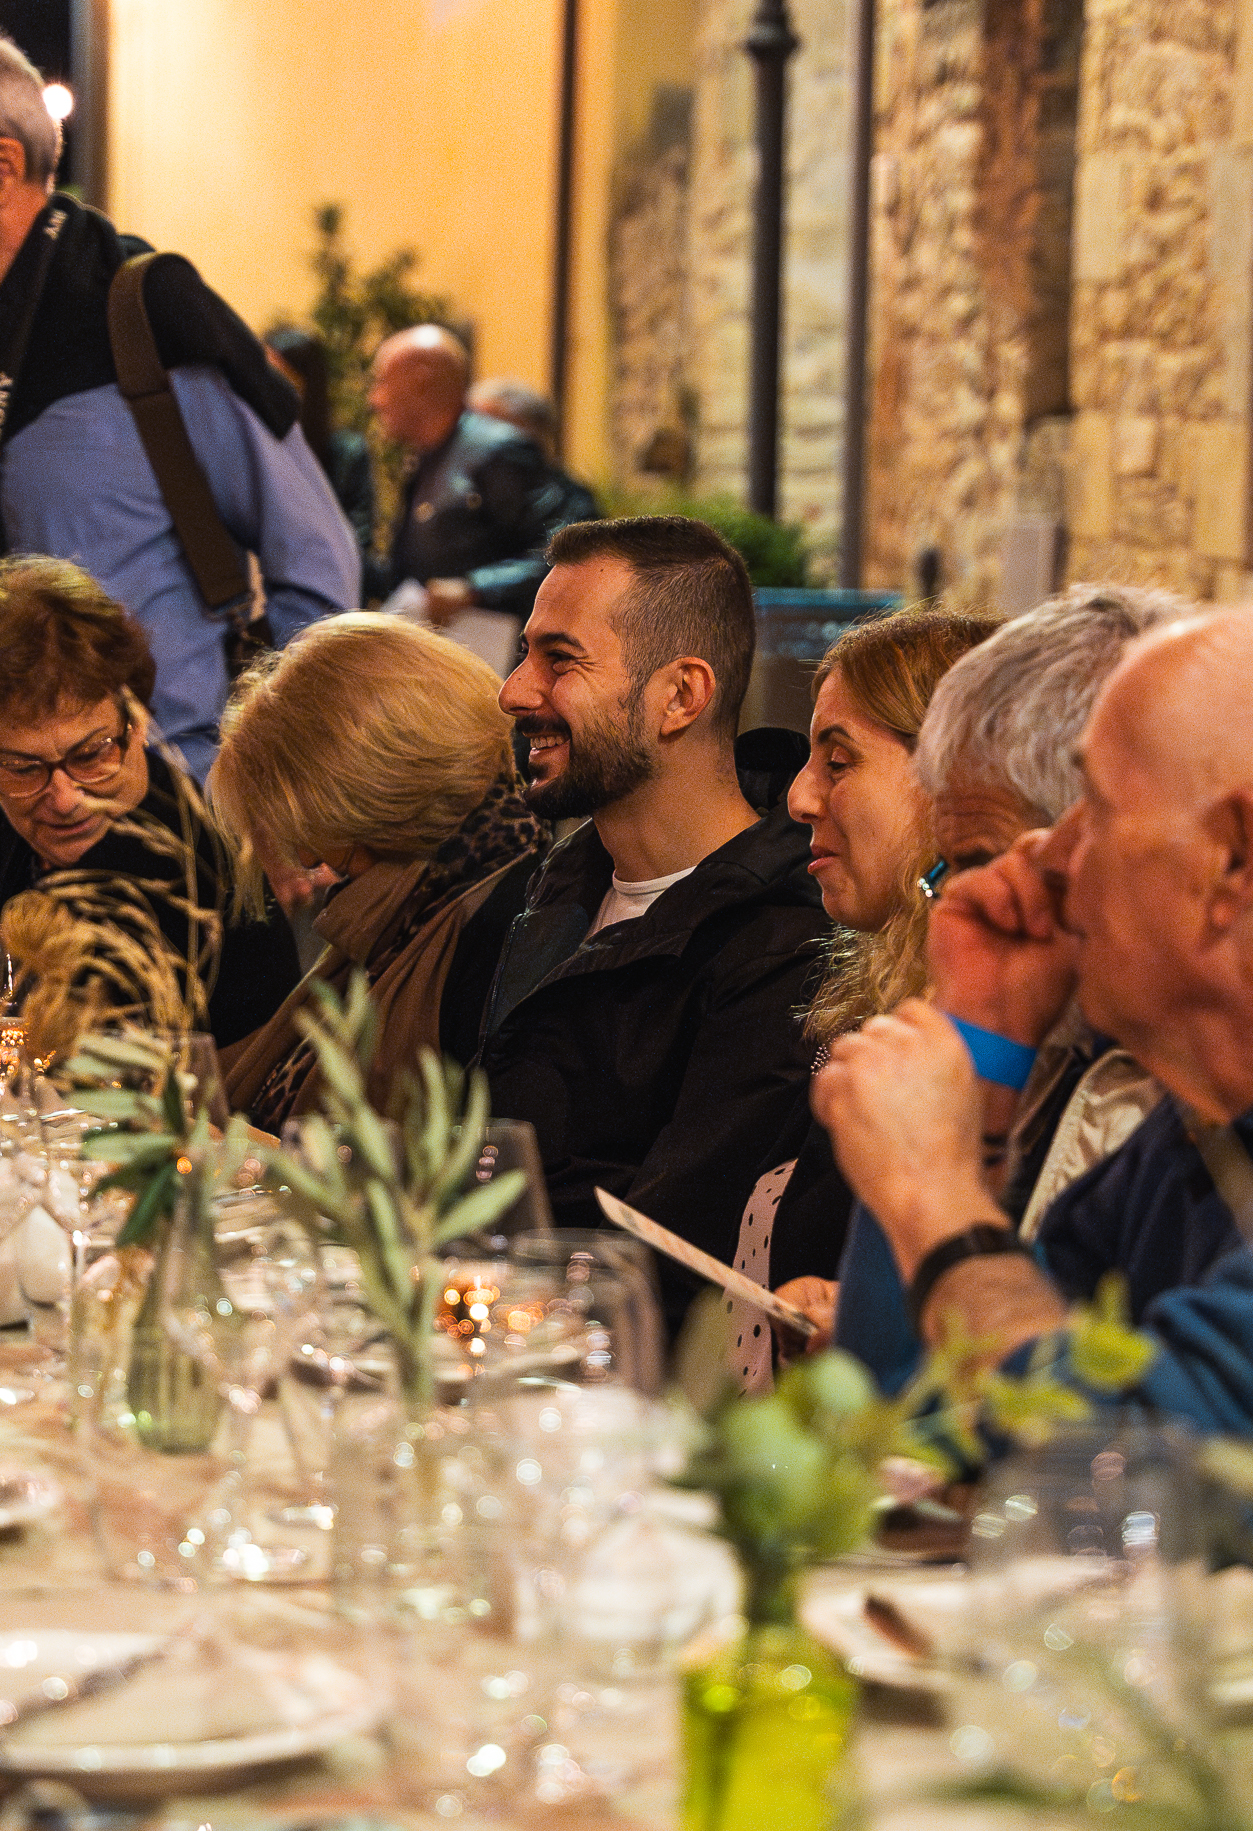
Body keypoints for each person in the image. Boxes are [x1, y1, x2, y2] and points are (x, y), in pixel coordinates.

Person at [0, 22, 360, 809]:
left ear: (0, 167)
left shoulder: (147, 325)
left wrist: (281, 792)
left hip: (164, 818)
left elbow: (317, 572)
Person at [814, 606, 1253, 1433]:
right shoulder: (1192, 1138)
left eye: (1098, 808)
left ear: (1229, 859)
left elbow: (1135, 1466)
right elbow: (917, 1427)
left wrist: (932, 1197)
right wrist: (982, 1036)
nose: (1048, 857)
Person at [479, 514, 832, 1334]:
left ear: (680, 696)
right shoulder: (557, 883)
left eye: (559, 659)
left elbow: (660, 1271)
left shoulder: (779, 949)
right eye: (525, 653)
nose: (514, 691)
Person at [729, 607, 996, 1383]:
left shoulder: (990, 1035)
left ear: (951, 778)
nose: (799, 797)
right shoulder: (869, 992)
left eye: (838, 762)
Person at [0, 557, 300, 1055]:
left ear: (138, 718)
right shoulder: (3, 828)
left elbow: (28, 1028)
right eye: (23, 768)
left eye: (91, 755)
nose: (65, 799)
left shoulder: (178, 857)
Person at [211, 614, 548, 1125]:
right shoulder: (427, 900)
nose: (308, 860)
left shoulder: (502, 926)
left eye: (311, 828)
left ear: (379, 795)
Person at [367, 326, 559, 628]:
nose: (374, 399)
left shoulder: (497, 451)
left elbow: (561, 552)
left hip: (494, 651)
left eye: (381, 381)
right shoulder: (426, 455)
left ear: (421, 379)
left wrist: (475, 588)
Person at [263, 327, 376, 563]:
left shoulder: (346, 451)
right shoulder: (254, 444)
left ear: (308, 388)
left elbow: (358, 544)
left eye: (279, 379)